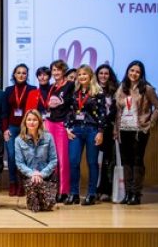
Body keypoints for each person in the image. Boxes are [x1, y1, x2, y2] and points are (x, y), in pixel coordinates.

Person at [114, 60, 158, 205]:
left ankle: (136, 193)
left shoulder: (146, 89)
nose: (134, 74)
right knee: (126, 162)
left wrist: (149, 123)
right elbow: (118, 111)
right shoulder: (122, 88)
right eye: (131, 70)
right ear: (127, 71)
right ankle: (128, 193)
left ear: (141, 74)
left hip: (139, 130)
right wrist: (116, 129)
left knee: (137, 160)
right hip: (123, 130)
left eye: (137, 72)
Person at [64, 65, 106, 206]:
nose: (82, 77)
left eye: (85, 74)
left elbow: (102, 113)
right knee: (73, 161)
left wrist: (100, 131)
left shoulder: (98, 92)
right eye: (79, 74)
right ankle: (74, 193)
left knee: (92, 163)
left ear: (90, 76)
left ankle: (91, 194)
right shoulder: (75, 92)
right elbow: (70, 111)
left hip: (92, 130)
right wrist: (67, 128)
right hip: (75, 129)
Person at [15, 109, 58, 212]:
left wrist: (41, 174)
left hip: (47, 177)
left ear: (39, 121)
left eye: (35, 119)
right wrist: (33, 174)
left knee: (47, 206)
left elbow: (53, 160)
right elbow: (19, 163)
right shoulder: (18, 140)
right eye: (29, 119)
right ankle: (36, 200)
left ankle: (44, 200)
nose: (32, 122)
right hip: (29, 177)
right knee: (35, 208)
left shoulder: (48, 137)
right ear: (25, 122)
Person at [44, 59, 75, 203]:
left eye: (58, 70)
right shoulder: (51, 87)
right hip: (50, 123)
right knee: (53, 159)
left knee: (63, 159)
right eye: (53, 70)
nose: (55, 72)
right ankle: (54, 190)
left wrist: (69, 124)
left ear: (64, 71)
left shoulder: (70, 85)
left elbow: (72, 105)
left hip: (62, 124)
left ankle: (64, 191)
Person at [3, 64, 35, 197]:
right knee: (11, 156)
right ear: (14, 75)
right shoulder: (9, 90)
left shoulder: (32, 89)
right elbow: (5, 112)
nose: (21, 75)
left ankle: (23, 184)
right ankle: (12, 183)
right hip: (11, 128)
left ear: (27, 75)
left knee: (24, 157)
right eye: (18, 73)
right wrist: (5, 129)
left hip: (26, 128)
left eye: (24, 73)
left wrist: (31, 130)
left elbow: (34, 111)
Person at [95, 64, 119, 201]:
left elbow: (116, 110)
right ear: (96, 75)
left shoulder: (115, 90)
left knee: (107, 160)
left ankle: (106, 189)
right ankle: (96, 189)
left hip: (109, 129)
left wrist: (107, 121)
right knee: (95, 161)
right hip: (95, 129)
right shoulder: (92, 89)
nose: (103, 76)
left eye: (106, 73)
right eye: (101, 73)